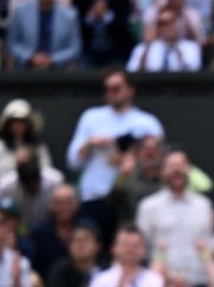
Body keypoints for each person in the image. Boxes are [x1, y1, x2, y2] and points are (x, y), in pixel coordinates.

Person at [66, 70, 165, 242]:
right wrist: (91, 144)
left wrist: (134, 158)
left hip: (132, 199)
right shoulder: (91, 118)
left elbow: (159, 161)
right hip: (95, 197)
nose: (111, 93)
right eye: (108, 89)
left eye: (117, 88)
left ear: (130, 90)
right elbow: (73, 161)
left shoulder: (147, 123)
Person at [135, 147, 213, 287]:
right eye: (171, 166)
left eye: (181, 165)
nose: (177, 170)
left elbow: (207, 243)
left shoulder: (204, 205)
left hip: (199, 286)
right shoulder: (148, 206)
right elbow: (144, 245)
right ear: (162, 171)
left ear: (189, 169)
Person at [7, 0, 81, 69]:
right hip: (26, 69)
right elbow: (12, 44)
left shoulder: (69, 16)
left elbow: (75, 48)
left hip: (58, 71)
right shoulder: (20, 12)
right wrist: (31, 57)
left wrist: (53, 59)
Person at [128, 6, 202, 71]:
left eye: (170, 23)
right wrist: (147, 47)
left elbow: (193, 71)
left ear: (177, 25)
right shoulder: (142, 48)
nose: (166, 28)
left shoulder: (190, 48)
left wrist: (177, 49)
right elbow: (134, 72)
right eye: (161, 24)